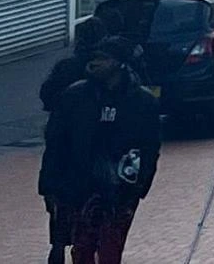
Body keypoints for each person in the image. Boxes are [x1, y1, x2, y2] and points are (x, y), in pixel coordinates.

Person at [40, 38, 160, 264]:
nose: (95, 63)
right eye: (94, 58)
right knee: (82, 249)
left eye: (103, 59)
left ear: (119, 63)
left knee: (110, 250)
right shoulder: (74, 97)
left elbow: (150, 147)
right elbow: (56, 143)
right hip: (79, 187)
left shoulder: (142, 102)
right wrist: (50, 187)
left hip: (121, 190)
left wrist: (140, 184)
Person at [40, 17, 108, 264]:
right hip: (95, 147)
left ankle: (58, 247)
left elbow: (45, 95)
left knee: (61, 201)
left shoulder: (66, 67)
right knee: (94, 204)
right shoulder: (105, 70)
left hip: (63, 145)